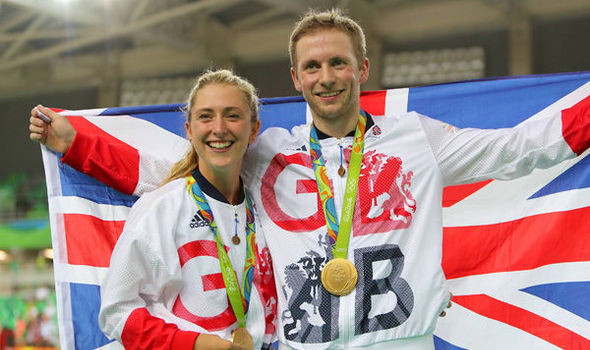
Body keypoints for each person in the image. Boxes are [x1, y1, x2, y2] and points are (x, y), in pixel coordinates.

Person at [29, 8, 590, 350]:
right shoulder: (268, 151)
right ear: (295, 77)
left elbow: (521, 149)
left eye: (339, 63)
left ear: (362, 70)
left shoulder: (417, 140)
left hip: (400, 342)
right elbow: (176, 170)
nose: (328, 77)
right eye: (314, 67)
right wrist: (76, 144)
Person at [61, 69, 276, 350]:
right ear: (189, 130)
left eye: (233, 115)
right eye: (205, 116)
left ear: (254, 130)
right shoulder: (161, 207)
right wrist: (197, 344)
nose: (219, 127)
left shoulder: (268, 206)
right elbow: (117, 313)